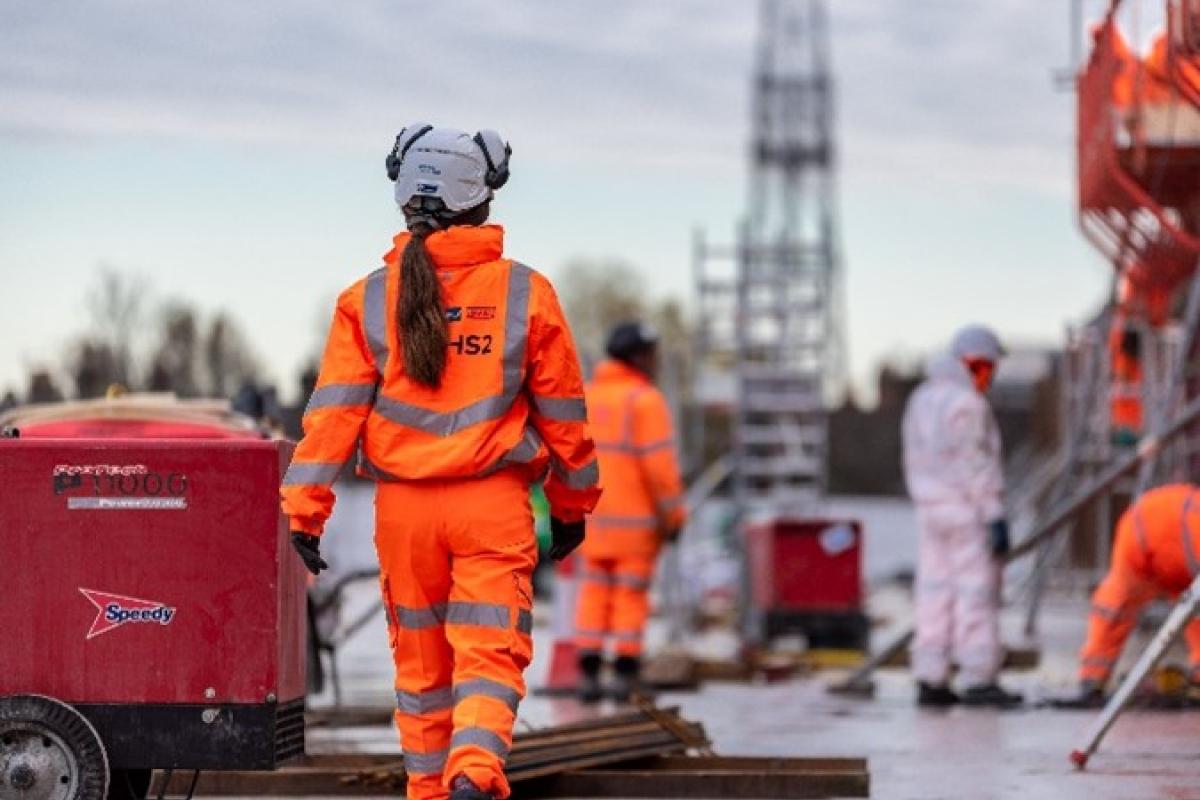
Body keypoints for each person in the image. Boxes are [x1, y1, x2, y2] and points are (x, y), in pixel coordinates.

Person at [280, 123, 601, 800]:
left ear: (402, 195)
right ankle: (475, 773)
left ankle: (429, 790)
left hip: (403, 514)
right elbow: (566, 421)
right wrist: (571, 509)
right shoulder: (525, 294)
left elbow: (331, 419)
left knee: (421, 670)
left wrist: (303, 515)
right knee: (490, 656)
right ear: (484, 199)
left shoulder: (366, 300)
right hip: (490, 507)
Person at [901, 324, 1021, 708]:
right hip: (967, 511)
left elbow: (914, 457)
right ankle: (978, 676)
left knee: (934, 592)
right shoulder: (968, 404)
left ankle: (930, 676)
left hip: (929, 510)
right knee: (975, 593)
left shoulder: (922, 399)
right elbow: (977, 465)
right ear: (973, 363)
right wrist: (995, 515)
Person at [574, 322, 687, 702]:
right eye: (652, 353)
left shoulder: (585, 396)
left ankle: (588, 673)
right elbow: (661, 472)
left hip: (590, 521)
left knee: (593, 594)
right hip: (635, 526)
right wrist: (674, 519)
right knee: (629, 597)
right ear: (639, 357)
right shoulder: (644, 400)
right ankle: (624, 672)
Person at [1062, 484, 1200, 707]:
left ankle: (1093, 678)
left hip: (1168, 544)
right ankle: (1093, 677)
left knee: (1194, 615)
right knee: (1116, 607)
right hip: (1144, 538)